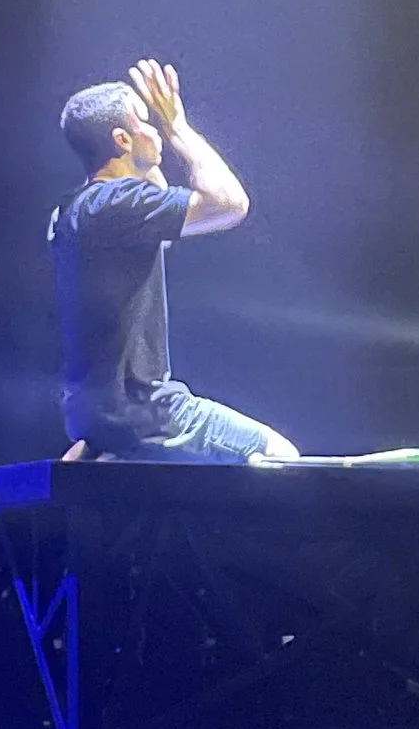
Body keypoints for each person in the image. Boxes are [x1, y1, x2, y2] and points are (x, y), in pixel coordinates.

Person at [50, 61, 300, 462]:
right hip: (146, 410)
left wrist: (147, 156)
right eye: (145, 122)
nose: (156, 130)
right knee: (282, 457)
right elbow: (230, 205)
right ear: (122, 139)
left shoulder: (77, 209)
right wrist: (178, 128)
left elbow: (160, 233)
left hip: (94, 413)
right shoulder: (116, 204)